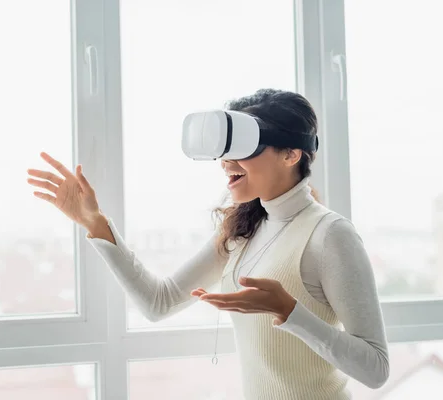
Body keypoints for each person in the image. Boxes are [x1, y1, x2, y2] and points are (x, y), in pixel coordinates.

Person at [27, 89, 389, 399]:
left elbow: (375, 369)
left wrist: (290, 312)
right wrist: (95, 223)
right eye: (224, 148)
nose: (224, 162)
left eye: (244, 147)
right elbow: (159, 302)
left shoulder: (330, 234)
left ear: (291, 154)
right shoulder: (242, 229)